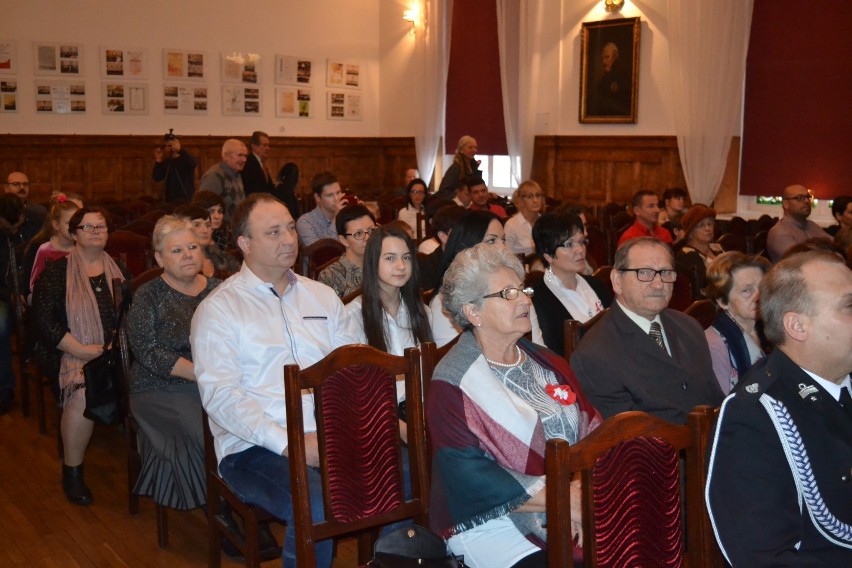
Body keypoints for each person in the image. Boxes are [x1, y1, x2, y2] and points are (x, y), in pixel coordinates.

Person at [191, 193, 359, 568]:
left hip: (329, 435)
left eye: (289, 228)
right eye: (273, 232)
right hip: (255, 447)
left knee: (416, 475)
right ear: (244, 244)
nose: (288, 239)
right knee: (313, 503)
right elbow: (222, 397)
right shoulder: (219, 309)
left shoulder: (322, 296)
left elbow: (351, 372)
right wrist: (291, 444)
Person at [427, 243, 602, 567]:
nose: (524, 299)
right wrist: (563, 499)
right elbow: (471, 477)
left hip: (570, 497)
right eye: (508, 294)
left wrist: (578, 489)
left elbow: (593, 429)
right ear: (473, 312)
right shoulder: (452, 381)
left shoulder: (548, 361)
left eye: (522, 289)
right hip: (490, 519)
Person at [705, 251, 852, 565]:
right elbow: (764, 558)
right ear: (797, 326)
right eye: (849, 306)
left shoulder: (844, 384)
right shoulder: (755, 416)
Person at [32, 207, 129, 505]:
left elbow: (129, 314)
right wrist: (82, 350)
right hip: (68, 352)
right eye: (89, 227)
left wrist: (116, 346)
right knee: (81, 392)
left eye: (102, 226)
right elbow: (44, 323)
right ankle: (72, 471)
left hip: (114, 351)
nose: (97, 231)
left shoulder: (118, 269)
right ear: (73, 234)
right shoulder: (57, 272)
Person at [570, 237, 723, 422]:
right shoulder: (594, 354)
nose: (659, 284)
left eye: (665, 272)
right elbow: (629, 440)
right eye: (644, 272)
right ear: (617, 280)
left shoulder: (689, 326)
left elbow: (715, 400)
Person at [126, 216, 220, 512]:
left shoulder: (220, 289)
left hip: (217, 379)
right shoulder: (147, 295)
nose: (188, 254)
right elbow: (147, 351)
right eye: (176, 250)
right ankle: (220, 510)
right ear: (159, 258)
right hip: (159, 385)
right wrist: (202, 374)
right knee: (204, 433)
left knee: (246, 423)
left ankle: (246, 497)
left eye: (192, 246)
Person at [345, 226, 433, 440]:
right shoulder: (354, 316)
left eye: (406, 258)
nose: (401, 266)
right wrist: (401, 428)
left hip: (422, 409)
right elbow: (356, 390)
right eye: (390, 258)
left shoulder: (421, 311)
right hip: (380, 418)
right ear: (373, 262)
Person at [531, 212, 612, 357]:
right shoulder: (537, 299)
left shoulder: (598, 285)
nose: (580, 250)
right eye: (569, 244)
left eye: (582, 242)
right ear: (548, 254)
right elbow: (548, 356)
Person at [703, 252, 771, 394]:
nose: (759, 296)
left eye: (762, 287)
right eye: (746, 290)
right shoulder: (714, 345)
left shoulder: (772, 328)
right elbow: (723, 405)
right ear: (723, 301)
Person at [0, 194, 26, 415]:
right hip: (3, 295)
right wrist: (11, 296)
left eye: (17, 227)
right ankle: (5, 388)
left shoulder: (35, 221)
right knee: (0, 324)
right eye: (8, 229)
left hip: (29, 291)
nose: (14, 233)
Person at [317, 204, 376, 297]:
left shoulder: (384, 264)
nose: (368, 237)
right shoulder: (329, 276)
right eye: (358, 234)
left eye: (371, 230)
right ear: (343, 240)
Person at [28, 196, 80, 297]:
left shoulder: (82, 249)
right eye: (69, 223)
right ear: (56, 225)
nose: (74, 227)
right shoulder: (44, 250)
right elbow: (34, 284)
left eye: (77, 223)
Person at [766, 184, 832, 262]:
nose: (807, 201)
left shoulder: (812, 225)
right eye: (799, 198)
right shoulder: (780, 232)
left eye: (808, 197)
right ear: (785, 204)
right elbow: (802, 262)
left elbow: (835, 246)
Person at [174, 204, 240, 278]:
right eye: (197, 225)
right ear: (180, 229)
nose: (205, 230)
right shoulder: (178, 264)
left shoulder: (220, 256)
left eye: (208, 225)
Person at [675, 204, 723, 293]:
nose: (708, 228)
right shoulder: (686, 254)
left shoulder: (716, 247)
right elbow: (704, 285)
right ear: (690, 232)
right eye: (701, 225)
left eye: (710, 224)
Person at [418, 204, 465, 291]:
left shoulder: (475, 261)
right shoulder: (424, 267)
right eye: (461, 233)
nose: (467, 237)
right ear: (443, 236)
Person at [199, 139, 248, 221]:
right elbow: (203, 207)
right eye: (240, 155)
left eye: (245, 156)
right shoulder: (214, 176)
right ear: (226, 156)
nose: (244, 159)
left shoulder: (237, 174)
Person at [295, 171, 344, 247]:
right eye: (330, 195)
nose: (337, 198)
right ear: (317, 198)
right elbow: (320, 253)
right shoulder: (305, 222)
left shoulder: (346, 217)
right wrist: (336, 220)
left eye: (338, 193)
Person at [152, 131, 197, 203]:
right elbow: (157, 177)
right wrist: (158, 159)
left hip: (185, 199)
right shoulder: (167, 161)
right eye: (165, 145)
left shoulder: (185, 158)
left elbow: (193, 163)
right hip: (170, 199)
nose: (167, 147)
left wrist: (180, 150)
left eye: (169, 145)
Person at [589, 41, 631, 116]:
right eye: (603, 58)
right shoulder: (602, 81)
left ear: (615, 57)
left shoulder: (624, 77)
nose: (604, 62)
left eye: (607, 57)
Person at [504, 180, 545, 255]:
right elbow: (506, 256)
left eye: (538, 195)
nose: (535, 200)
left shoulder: (546, 222)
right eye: (529, 196)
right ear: (520, 200)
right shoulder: (511, 225)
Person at [5, 171, 47, 243]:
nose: (22, 187)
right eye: (16, 184)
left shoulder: (40, 211)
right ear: (6, 188)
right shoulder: (2, 210)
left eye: (25, 184)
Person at [242, 131, 275, 196]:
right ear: (254, 146)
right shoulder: (248, 163)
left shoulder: (261, 163)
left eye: (268, 145)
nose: (268, 148)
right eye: (264, 145)